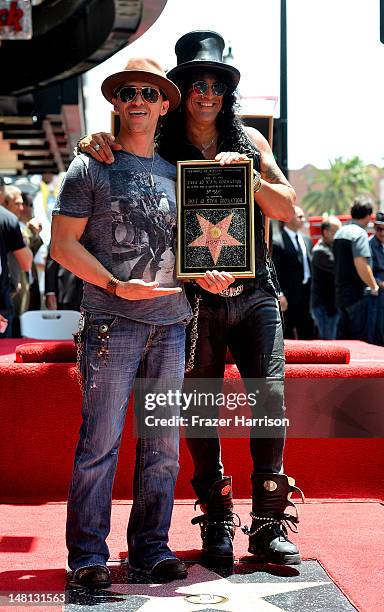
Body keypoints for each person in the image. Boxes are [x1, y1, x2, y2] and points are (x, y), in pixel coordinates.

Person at [78, 31, 304, 569]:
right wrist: (94, 142)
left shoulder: (250, 141)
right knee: (199, 408)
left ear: (227, 92)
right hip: (193, 298)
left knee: (268, 401)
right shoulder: (160, 143)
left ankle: (270, 520)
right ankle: (217, 519)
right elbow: (117, 153)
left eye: (216, 84)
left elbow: (288, 207)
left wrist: (243, 177)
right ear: (178, 92)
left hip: (254, 294)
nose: (206, 92)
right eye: (196, 83)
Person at [51, 57, 230, 589]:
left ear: (163, 105)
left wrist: (211, 277)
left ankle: (150, 548)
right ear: (115, 101)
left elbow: (194, 254)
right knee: (100, 444)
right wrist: (113, 284)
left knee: (163, 449)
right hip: (112, 323)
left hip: (173, 325)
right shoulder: (90, 167)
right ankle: (86, 557)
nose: (138, 101)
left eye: (149, 94)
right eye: (128, 92)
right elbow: (61, 246)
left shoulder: (178, 174)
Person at [333, 197, 379, 341]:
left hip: (341, 294)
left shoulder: (340, 232)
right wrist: (374, 286)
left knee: (344, 339)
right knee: (360, 340)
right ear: (368, 216)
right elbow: (361, 264)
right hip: (357, 295)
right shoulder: (360, 234)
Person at [272, 205, 315, 339]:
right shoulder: (278, 241)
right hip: (288, 295)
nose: (303, 219)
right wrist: (279, 294)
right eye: (299, 216)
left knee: (307, 332)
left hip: (306, 294)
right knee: (288, 333)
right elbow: (275, 270)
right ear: (288, 218)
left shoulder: (306, 240)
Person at [0, 180, 33, 337]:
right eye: (17, 203)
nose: (22, 208)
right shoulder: (7, 220)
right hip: (4, 300)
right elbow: (26, 262)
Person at [310, 216, 342, 339]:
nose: (340, 235)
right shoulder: (320, 251)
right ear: (326, 232)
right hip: (324, 307)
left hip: (330, 305)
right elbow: (339, 268)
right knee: (328, 343)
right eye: (337, 231)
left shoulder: (331, 247)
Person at [369, 211, 384, 345]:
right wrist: (379, 283)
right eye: (379, 229)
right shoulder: (369, 244)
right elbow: (368, 270)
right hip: (377, 294)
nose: (382, 233)